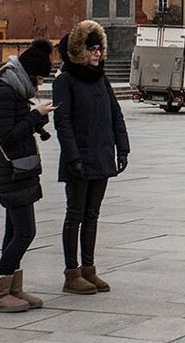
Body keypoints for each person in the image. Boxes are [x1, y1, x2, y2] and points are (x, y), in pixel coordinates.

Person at [53, 20, 130, 296]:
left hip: (100, 155)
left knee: (92, 215)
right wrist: (73, 157)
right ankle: (71, 273)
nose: (97, 54)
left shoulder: (100, 78)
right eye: (91, 48)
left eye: (99, 48)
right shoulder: (65, 81)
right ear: (79, 50)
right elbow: (63, 122)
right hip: (79, 159)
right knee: (75, 215)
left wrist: (122, 147)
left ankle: (89, 269)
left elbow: (115, 114)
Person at [0, 39, 56, 313]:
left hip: (20, 172)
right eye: (37, 79)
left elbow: (18, 127)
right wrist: (34, 115)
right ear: (27, 73)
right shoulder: (3, 94)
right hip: (10, 172)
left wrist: (36, 117)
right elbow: (8, 136)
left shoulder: (14, 93)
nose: (37, 85)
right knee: (26, 231)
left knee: (13, 231)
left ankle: (11, 287)